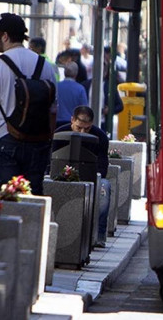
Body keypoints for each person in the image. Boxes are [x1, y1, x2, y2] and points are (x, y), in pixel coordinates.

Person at [0, 13, 58, 195]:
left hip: (2, 138)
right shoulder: (45, 65)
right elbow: (52, 110)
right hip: (37, 140)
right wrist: (48, 140)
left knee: (4, 197)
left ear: (5, 36)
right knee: (34, 197)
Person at [53, 105, 113, 244]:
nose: (82, 132)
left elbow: (103, 163)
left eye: (87, 129)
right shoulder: (60, 133)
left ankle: (100, 234)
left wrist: (97, 176)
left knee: (105, 187)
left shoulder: (100, 137)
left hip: (91, 176)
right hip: (62, 175)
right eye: (79, 127)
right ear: (72, 120)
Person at [56, 60, 89, 125]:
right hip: (73, 124)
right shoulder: (80, 89)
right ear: (76, 73)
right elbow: (84, 109)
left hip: (57, 123)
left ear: (64, 72)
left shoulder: (56, 86)